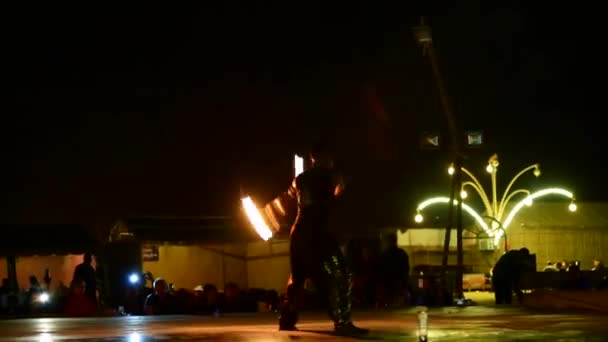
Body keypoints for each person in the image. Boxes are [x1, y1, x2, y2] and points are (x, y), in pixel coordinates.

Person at [278, 144, 367, 335]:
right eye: (328, 157)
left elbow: (295, 200)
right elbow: (323, 204)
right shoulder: (326, 176)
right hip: (314, 233)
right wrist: (339, 190)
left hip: (299, 232)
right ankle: (342, 321)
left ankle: (286, 319)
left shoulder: (301, 179)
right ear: (318, 158)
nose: (331, 161)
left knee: (298, 278)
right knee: (340, 274)